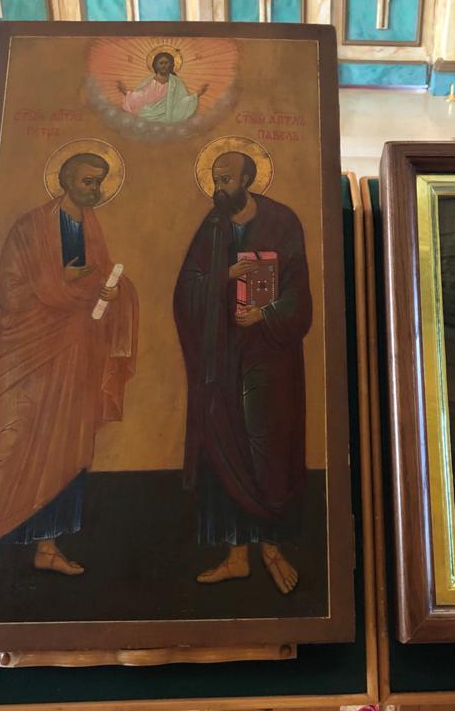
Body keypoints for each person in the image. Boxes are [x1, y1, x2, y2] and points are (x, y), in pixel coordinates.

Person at [0, 151, 139, 607]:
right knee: (12, 444)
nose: (94, 189)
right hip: (27, 352)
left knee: (64, 445)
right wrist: (61, 282)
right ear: (66, 180)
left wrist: (112, 291)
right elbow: (9, 294)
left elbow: (97, 292)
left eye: (99, 181)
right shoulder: (29, 229)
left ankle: (47, 548)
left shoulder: (91, 228)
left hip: (75, 353)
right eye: (87, 181)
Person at [173, 149, 311, 595]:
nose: (218, 187)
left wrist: (264, 315)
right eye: (215, 179)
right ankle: (235, 557)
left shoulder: (282, 222)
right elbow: (185, 291)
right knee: (221, 447)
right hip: (220, 358)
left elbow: (299, 296)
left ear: (248, 179)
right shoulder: (212, 227)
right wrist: (224, 274)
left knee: (266, 447)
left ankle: (271, 547)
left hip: (268, 357)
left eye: (226, 179)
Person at [117, 51, 208, 123]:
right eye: (161, 63)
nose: (164, 65)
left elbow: (181, 102)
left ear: (171, 65)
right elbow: (141, 97)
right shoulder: (150, 81)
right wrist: (125, 92)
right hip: (147, 117)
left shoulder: (176, 82)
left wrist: (197, 95)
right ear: (155, 65)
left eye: (166, 63)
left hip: (168, 118)